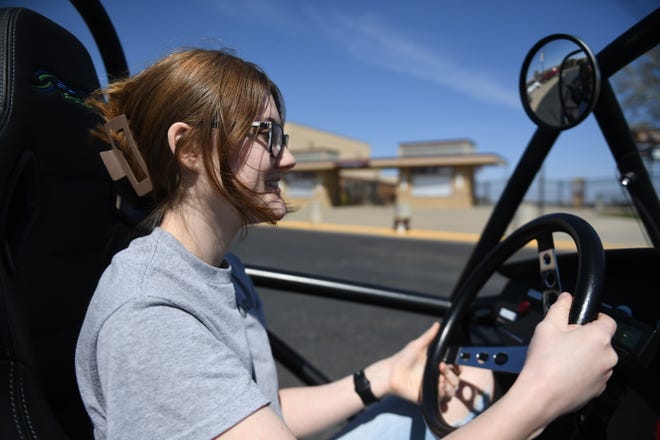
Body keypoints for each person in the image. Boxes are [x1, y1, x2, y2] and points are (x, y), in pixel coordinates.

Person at [75, 48, 618, 440]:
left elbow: (255, 410)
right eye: (267, 136)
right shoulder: (152, 316)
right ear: (189, 148)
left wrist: (381, 378)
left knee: (469, 385)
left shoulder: (221, 271)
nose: (286, 159)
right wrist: (542, 394)